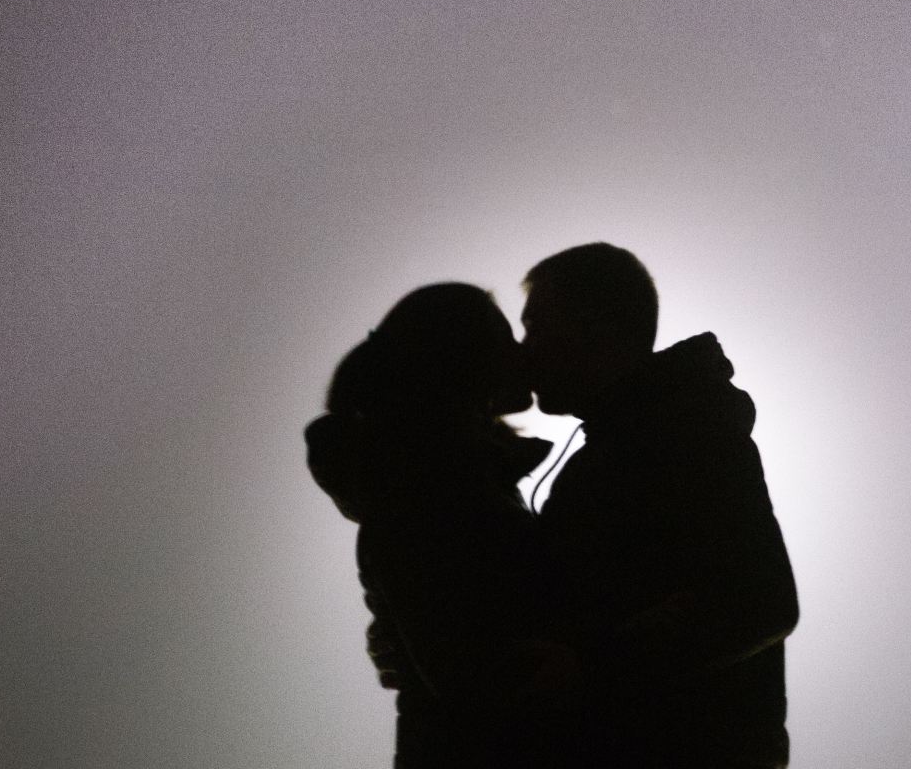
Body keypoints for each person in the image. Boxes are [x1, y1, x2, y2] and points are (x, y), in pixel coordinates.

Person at [521, 243, 799, 768]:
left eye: (537, 326)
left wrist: (592, 669)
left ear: (594, 326)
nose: (524, 350)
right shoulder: (625, 446)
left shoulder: (686, 434)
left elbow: (760, 600)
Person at [304, 283, 566, 768]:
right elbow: (475, 674)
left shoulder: (439, 481)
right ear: (464, 360)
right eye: (508, 337)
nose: (523, 351)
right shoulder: (435, 490)